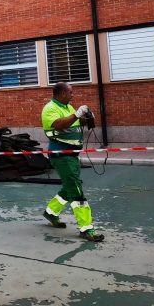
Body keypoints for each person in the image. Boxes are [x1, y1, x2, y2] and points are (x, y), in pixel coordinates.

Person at [41, 82, 104, 242]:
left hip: (71, 155)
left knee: (70, 186)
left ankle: (50, 212)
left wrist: (86, 119)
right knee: (76, 190)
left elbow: (72, 123)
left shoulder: (68, 107)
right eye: (70, 92)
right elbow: (59, 125)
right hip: (61, 155)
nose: (72, 95)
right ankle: (86, 228)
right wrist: (76, 115)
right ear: (61, 94)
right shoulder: (50, 108)